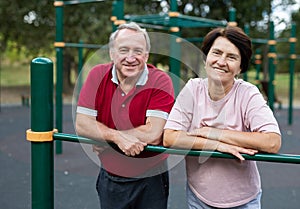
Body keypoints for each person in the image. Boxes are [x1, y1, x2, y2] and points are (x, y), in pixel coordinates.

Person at [163, 26, 281, 209]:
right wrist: (215, 145)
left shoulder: (247, 93)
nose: (221, 61)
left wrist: (212, 132)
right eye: (216, 53)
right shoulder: (193, 89)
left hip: (243, 200)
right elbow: (170, 136)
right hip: (199, 197)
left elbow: (272, 141)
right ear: (206, 58)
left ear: (240, 67)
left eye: (231, 57)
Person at [76, 22, 174, 209]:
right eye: (123, 50)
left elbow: (153, 133)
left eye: (138, 51)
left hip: (150, 176)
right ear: (112, 54)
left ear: (146, 55)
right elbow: (82, 124)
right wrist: (116, 137)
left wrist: (106, 140)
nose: (131, 58)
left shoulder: (160, 80)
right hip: (111, 173)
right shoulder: (97, 75)